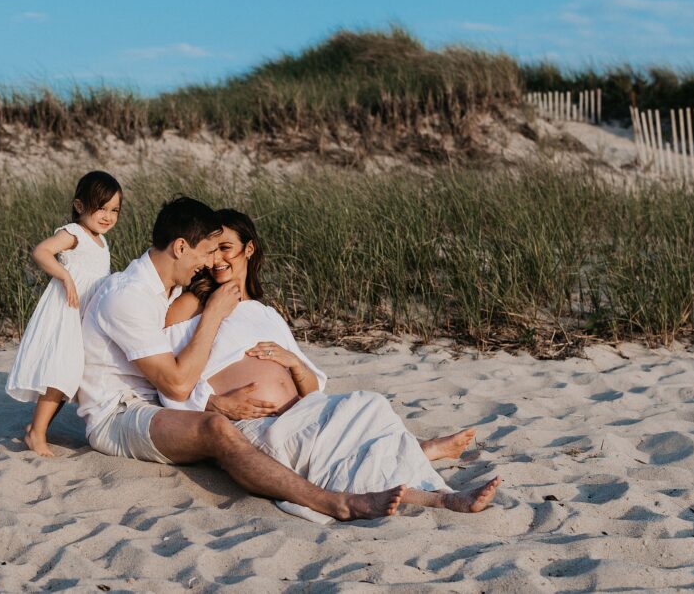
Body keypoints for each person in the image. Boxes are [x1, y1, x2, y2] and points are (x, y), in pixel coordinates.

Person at [76, 196, 406, 521]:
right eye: (206, 252)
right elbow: (177, 385)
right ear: (180, 248)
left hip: (157, 402)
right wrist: (214, 315)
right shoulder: (127, 297)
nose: (209, 263)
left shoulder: (169, 288)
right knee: (216, 429)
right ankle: (331, 503)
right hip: (119, 414)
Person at [162, 209, 501, 522]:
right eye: (212, 250)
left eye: (227, 248)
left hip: (308, 409)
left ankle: (430, 471)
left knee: (371, 404)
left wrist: (295, 364)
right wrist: (214, 403)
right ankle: (437, 498)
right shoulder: (191, 304)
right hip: (261, 424)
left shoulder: (268, 314)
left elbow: (313, 388)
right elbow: (169, 376)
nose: (218, 258)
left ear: (248, 250)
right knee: (332, 452)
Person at [6, 171, 122, 457]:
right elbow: (42, 252)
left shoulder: (101, 241)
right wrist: (65, 277)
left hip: (85, 315)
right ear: (80, 206)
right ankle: (37, 433)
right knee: (61, 375)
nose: (107, 216)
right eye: (101, 207)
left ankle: (38, 428)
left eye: (114, 210)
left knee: (70, 378)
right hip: (66, 311)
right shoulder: (74, 233)